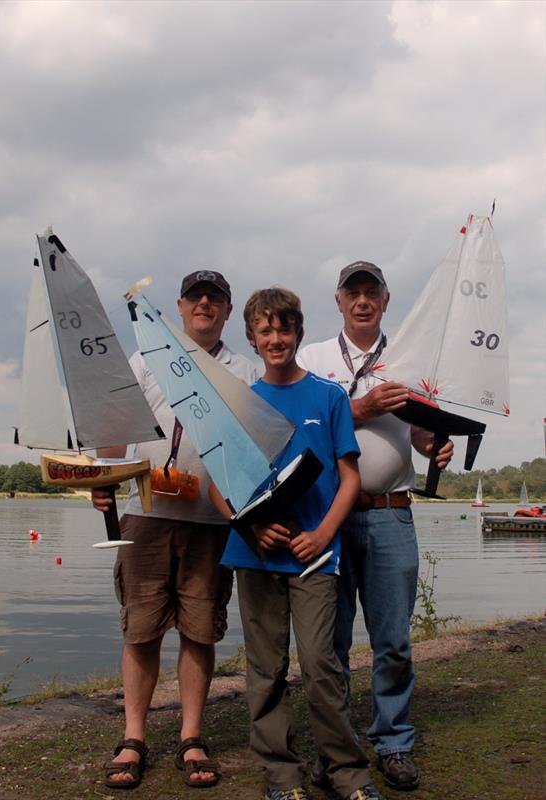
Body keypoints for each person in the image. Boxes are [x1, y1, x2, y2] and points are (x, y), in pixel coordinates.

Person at [211, 287, 389, 800]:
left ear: (297, 333)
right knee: (265, 671)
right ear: (251, 339)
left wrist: (325, 534)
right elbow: (216, 486)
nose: (275, 339)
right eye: (264, 331)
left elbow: (349, 477)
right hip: (257, 555)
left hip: (315, 557)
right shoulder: (241, 403)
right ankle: (281, 777)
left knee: (320, 668)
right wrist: (249, 526)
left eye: (283, 329)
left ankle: (347, 773)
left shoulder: (329, 397)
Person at [92, 270, 257, 790]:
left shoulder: (245, 372)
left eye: (216, 298)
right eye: (195, 297)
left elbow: (254, 449)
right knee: (140, 631)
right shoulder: (146, 362)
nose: (204, 304)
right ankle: (134, 736)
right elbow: (115, 440)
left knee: (199, 630)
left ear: (228, 311)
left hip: (212, 522)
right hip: (145, 518)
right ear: (180, 309)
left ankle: (191, 735)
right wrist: (102, 478)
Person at [298, 262, 454, 792]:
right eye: (352, 293)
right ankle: (337, 748)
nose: (362, 301)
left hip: (392, 512)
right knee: (330, 643)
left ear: (386, 301)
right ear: (338, 302)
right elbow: (299, 434)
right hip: (328, 517)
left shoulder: (410, 359)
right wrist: (357, 408)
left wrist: (436, 445)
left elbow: (421, 435)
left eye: (372, 293)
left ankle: (393, 742)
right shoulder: (312, 358)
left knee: (392, 641)